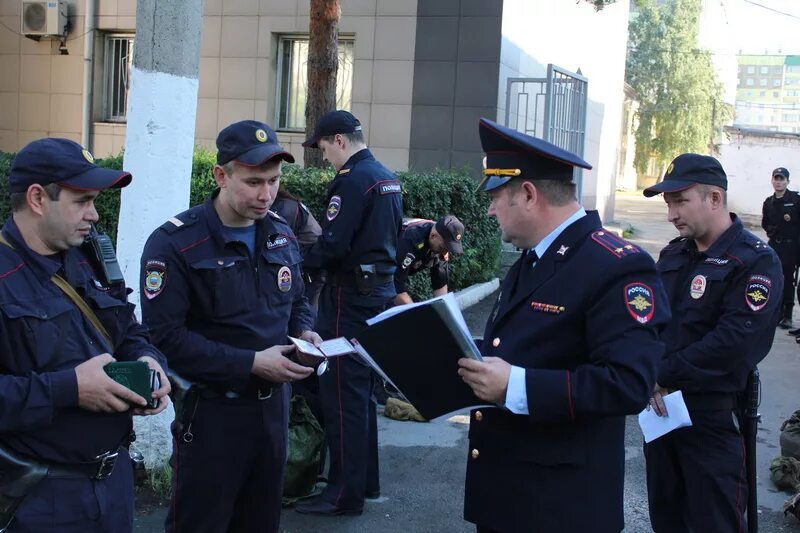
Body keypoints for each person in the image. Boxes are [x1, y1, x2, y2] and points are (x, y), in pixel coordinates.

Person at [456, 118, 669, 533]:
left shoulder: (616, 266)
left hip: (560, 507)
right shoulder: (533, 258)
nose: (489, 208)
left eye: (496, 196)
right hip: (509, 495)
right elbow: (522, 345)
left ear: (529, 195)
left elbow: (628, 382)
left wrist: (515, 386)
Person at [139, 120, 320, 533]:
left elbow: (296, 302)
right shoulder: (175, 244)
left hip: (274, 409)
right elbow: (165, 338)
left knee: (260, 523)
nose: (266, 194)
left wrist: (305, 332)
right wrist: (251, 362)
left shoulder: (279, 232)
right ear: (221, 175)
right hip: (212, 415)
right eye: (254, 182)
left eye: (274, 181)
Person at [0, 138, 170, 532]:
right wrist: (70, 389)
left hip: (113, 484)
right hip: (38, 499)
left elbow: (127, 328)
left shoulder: (87, 256)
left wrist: (149, 362)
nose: (94, 214)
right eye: (83, 201)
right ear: (38, 198)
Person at [642, 153, 782, 532]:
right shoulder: (674, 254)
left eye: (680, 201)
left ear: (714, 199)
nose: (671, 214)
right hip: (661, 417)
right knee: (666, 520)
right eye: (669, 203)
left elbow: (734, 342)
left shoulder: (756, 261)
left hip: (712, 421)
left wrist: (660, 372)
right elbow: (648, 321)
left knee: (713, 524)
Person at [295, 110, 403, 516]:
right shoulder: (386, 176)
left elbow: (334, 245)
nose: (324, 157)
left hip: (348, 301)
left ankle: (343, 495)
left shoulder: (352, 180)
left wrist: (295, 259)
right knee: (360, 393)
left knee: (340, 394)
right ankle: (364, 482)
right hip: (377, 294)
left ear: (339, 140)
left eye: (323, 148)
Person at [393, 215, 465, 305]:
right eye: (443, 247)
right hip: (375, 263)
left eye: (449, 248)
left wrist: (442, 313)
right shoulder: (410, 240)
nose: (445, 251)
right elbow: (394, 285)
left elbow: (440, 285)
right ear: (433, 236)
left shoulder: (441, 242)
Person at [761, 166, 799, 329]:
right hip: (775, 245)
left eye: (781, 179)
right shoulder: (769, 202)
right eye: (776, 178)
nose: (778, 182)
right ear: (772, 181)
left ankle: (788, 316)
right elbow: (765, 224)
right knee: (774, 279)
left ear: (787, 181)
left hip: (792, 246)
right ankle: (776, 313)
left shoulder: (796, 200)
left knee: (788, 280)